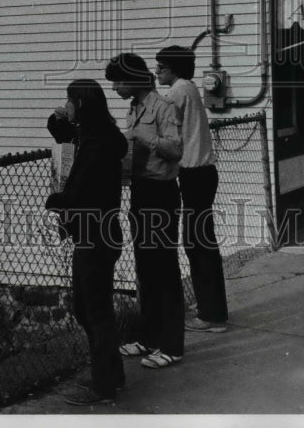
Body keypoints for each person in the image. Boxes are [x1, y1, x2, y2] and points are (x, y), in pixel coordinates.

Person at [45, 79, 129, 406]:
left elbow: (82, 191)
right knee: (93, 309)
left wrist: (57, 200)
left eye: (69, 101)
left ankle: (104, 386)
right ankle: (113, 375)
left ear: (80, 104)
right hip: (101, 232)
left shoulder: (96, 144)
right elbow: (64, 136)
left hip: (94, 235)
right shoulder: (99, 135)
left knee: (92, 311)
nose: (66, 104)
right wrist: (59, 119)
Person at [105, 52, 185, 370]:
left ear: (134, 79)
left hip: (161, 193)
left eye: (118, 82)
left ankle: (172, 346)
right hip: (140, 191)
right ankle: (149, 338)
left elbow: (176, 150)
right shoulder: (134, 109)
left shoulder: (164, 107)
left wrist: (143, 137)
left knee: (164, 269)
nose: (114, 88)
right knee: (145, 268)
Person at [156, 45, 228, 332]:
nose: (156, 72)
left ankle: (212, 316)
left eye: (160, 68)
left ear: (173, 69)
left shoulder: (178, 91)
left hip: (194, 174)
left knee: (198, 244)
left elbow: (160, 123)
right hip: (202, 173)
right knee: (201, 243)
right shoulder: (189, 88)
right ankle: (211, 306)